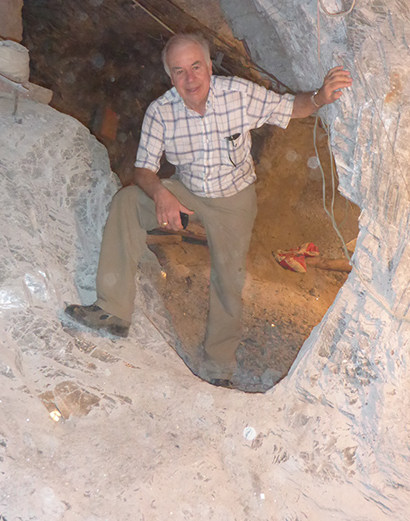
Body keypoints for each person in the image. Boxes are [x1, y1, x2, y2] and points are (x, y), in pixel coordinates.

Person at [64, 33, 352, 387]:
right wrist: (161, 195)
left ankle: (218, 367)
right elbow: (143, 170)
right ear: (171, 77)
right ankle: (113, 309)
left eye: (196, 67)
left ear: (209, 67)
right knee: (126, 202)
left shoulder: (238, 94)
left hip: (234, 200)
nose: (190, 79)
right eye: (179, 71)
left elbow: (291, 106)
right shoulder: (161, 112)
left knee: (228, 280)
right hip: (189, 190)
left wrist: (320, 97)